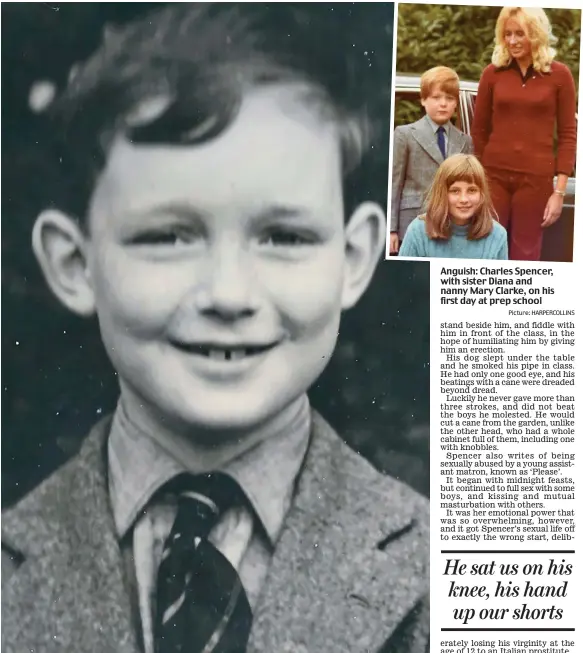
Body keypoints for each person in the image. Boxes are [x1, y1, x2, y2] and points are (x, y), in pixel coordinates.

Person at [1, 5, 429, 653]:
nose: (228, 294)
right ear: (75, 263)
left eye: (283, 235)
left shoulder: (455, 571)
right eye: (167, 236)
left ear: (353, 257)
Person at [471, 6, 577, 261]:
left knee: (525, 253)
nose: (512, 40)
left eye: (520, 33)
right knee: (486, 250)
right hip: (494, 177)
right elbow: (479, 131)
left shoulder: (559, 75)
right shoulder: (492, 74)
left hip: (536, 180)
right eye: (507, 34)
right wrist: (481, 180)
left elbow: (568, 134)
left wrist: (558, 192)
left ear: (536, 33)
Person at [390, 65, 473, 254]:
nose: (443, 104)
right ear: (423, 100)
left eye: (449, 98)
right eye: (436, 97)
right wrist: (391, 229)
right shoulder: (405, 134)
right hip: (412, 222)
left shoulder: (465, 141)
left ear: (455, 104)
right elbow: (394, 184)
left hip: (452, 225)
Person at [399, 154, 508, 259]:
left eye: (472, 190)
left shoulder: (497, 235)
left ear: (481, 194)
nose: (464, 199)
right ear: (442, 194)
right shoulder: (418, 230)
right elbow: (400, 277)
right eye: (455, 191)